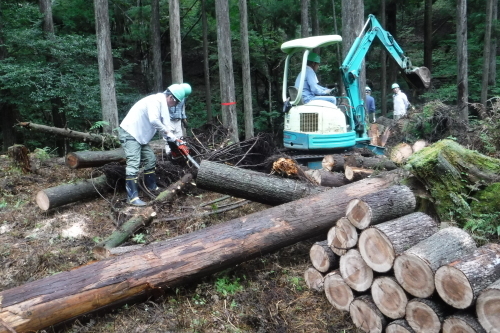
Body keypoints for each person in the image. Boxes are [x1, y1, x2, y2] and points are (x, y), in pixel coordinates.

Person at [119, 83, 191, 206]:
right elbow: (154, 120)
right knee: (134, 162)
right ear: (171, 98)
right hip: (130, 133)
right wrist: (169, 133)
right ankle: (132, 197)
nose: (175, 105)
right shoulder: (155, 101)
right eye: (176, 102)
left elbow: (165, 127)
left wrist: (176, 140)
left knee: (151, 159)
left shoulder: (162, 104)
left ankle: (151, 187)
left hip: (140, 136)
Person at [165, 83, 192, 156]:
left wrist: (184, 118)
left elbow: (182, 108)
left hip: (178, 120)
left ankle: (181, 153)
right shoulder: (168, 96)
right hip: (169, 120)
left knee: (179, 137)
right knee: (169, 139)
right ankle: (169, 154)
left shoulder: (183, 97)